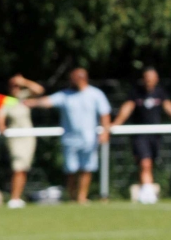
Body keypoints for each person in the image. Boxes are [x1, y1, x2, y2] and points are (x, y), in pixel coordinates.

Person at [26, 66, 111, 202]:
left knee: (87, 168)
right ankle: (72, 197)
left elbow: (105, 114)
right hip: (70, 139)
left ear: (82, 78)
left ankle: (82, 197)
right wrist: (31, 102)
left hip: (89, 139)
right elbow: (47, 101)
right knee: (71, 170)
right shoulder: (65, 95)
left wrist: (105, 132)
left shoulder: (96, 94)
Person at [111, 67, 171, 204]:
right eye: (147, 78)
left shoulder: (160, 92)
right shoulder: (135, 92)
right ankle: (148, 193)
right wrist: (116, 123)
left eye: (152, 78)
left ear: (156, 79)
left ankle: (144, 191)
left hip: (155, 134)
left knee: (148, 164)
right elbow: (127, 107)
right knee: (145, 163)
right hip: (139, 134)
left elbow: (169, 107)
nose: (149, 81)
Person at [1, 74, 43, 207]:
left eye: (17, 86)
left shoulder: (24, 96)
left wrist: (24, 81)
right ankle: (14, 198)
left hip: (28, 138)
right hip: (15, 138)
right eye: (13, 86)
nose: (16, 88)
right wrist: (1, 127)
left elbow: (39, 90)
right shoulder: (7, 101)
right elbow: (0, 117)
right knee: (18, 167)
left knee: (24, 167)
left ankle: (17, 197)